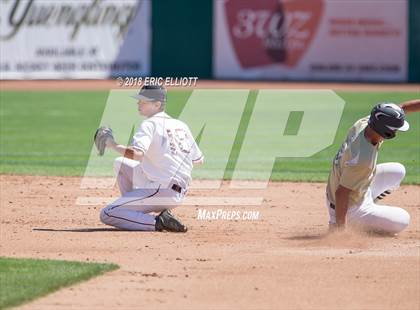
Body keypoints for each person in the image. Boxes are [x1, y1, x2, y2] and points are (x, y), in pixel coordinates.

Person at [99, 85, 204, 232]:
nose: (139, 103)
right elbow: (198, 160)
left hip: (162, 190)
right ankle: (134, 208)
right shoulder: (181, 125)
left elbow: (137, 154)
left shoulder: (149, 124)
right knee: (120, 163)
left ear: (157, 104)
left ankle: (158, 221)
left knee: (107, 213)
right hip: (178, 190)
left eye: (144, 101)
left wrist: (112, 144)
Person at [326, 99, 420, 234]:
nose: (397, 131)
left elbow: (401, 108)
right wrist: (339, 230)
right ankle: (358, 223)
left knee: (398, 170)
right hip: (349, 208)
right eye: (396, 129)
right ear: (387, 132)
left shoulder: (367, 123)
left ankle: (371, 211)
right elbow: (342, 193)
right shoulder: (362, 159)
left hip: (351, 187)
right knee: (403, 219)